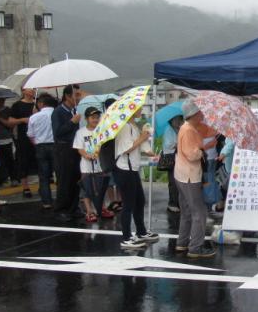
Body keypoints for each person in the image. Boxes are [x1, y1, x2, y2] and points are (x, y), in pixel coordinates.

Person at [113, 106, 159, 249]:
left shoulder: (134, 126)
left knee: (139, 201)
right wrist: (142, 138)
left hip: (133, 169)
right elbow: (126, 149)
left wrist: (152, 153)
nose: (141, 110)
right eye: (138, 108)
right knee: (128, 204)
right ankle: (126, 237)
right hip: (124, 169)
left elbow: (142, 145)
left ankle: (141, 231)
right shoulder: (125, 127)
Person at [174, 100, 215, 258]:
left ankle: (182, 243)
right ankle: (195, 248)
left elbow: (204, 133)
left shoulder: (187, 128)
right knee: (199, 212)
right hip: (190, 176)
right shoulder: (189, 130)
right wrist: (205, 148)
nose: (202, 114)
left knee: (186, 211)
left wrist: (207, 142)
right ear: (195, 114)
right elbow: (192, 155)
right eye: (200, 112)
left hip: (181, 175)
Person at [73, 106, 112, 223]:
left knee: (101, 188)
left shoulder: (102, 131)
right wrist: (87, 156)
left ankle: (102, 208)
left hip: (101, 165)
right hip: (86, 167)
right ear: (86, 119)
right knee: (86, 189)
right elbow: (79, 148)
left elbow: (106, 147)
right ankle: (89, 211)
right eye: (92, 117)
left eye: (97, 117)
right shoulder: (80, 132)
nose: (95, 119)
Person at [51, 84, 82, 221]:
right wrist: (72, 122)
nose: (78, 98)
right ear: (67, 96)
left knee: (75, 179)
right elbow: (57, 132)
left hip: (75, 149)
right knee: (64, 180)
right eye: (76, 95)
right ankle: (61, 209)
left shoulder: (74, 111)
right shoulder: (58, 112)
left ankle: (73, 207)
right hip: (63, 149)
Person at [27, 94, 57, 209]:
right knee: (59, 174)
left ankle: (46, 202)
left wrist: (37, 144)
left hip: (40, 146)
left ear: (41, 104)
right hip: (55, 146)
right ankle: (62, 199)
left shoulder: (34, 117)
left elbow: (30, 135)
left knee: (44, 176)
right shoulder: (57, 114)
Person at [9, 88, 37, 198]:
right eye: (30, 88)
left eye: (34, 88)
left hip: (38, 136)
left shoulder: (38, 103)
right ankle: (25, 187)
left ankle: (43, 185)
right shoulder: (17, 105)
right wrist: (22, 120)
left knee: (39, 160)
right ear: (23, 91)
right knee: (23, 160)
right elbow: (10, 121)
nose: (32, 91)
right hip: (23, 137)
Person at [162, 115, 183, 213]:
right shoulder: (168, 129)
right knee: (173, 181)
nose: (178, 121)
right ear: (171, 120)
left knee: (178, 181)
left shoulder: (178, 129)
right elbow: (169, 144)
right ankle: (172, 204)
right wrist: (180, 143)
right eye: (176, 119)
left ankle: (177, 202)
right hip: (171, 158)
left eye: (180, 119)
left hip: (177, 157)